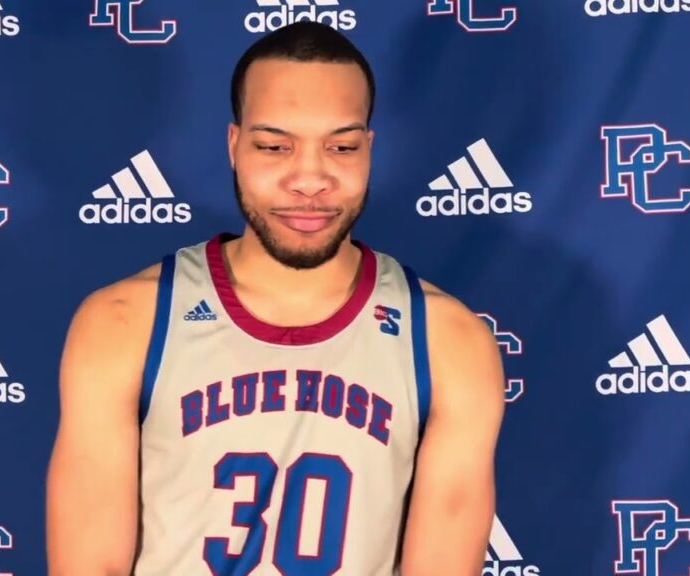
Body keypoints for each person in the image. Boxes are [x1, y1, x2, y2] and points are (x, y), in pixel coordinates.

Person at [46, 21, 505, 576]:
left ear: (369, 148)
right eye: (274, 146)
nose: (309, 178)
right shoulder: (124, 323)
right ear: (235, 146)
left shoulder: (449, 341)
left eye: (341, 146)